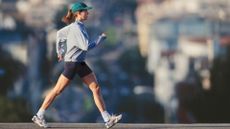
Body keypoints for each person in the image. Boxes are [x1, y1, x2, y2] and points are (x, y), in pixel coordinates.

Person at [32, 2, 122, 128]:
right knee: (57, 90)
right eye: (85, 11)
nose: (88, 13)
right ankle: (39, 115)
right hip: (72, 64)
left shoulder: (76, 26)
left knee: (95, 88)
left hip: (80, 63)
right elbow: (86, 47)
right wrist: (100, 39)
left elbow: (60, 34)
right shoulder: (77, 28)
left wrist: (60, 51)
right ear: (78, 13)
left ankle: (107, 119)